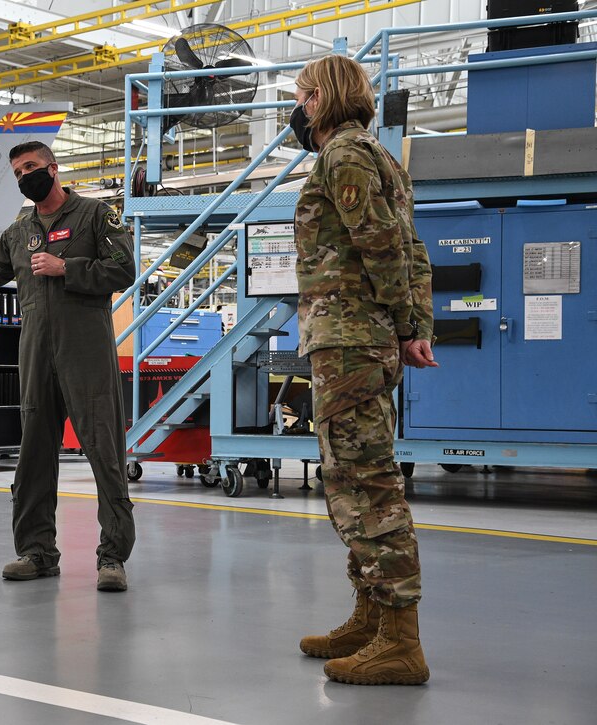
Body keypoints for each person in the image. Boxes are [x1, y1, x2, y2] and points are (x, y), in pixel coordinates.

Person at [290, 55, 437, 685]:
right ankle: (372, 615)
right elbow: (415, 250)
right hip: (357, 340)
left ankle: (401, 639)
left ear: (320, 98)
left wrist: (404, 324)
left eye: (300, 96)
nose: (296, 108)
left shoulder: (343, 155)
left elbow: (382, 246)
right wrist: (414, 326)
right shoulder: (379, 158)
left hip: (351, 341)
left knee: (365, 484)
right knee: (353, 479)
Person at [0, 141, 137, 592]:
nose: (25, 177)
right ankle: (37, 552)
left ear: (53, 168)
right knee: (35, 457)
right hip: (36, 353)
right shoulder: (20, 229)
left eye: (31, 168)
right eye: (19, 173)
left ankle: (113, 557)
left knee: (104, 451)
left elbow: (124, 269)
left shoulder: (96, 215)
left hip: (86, 352)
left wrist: (68, 267)